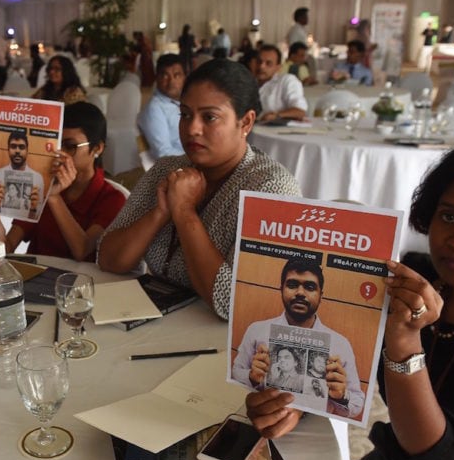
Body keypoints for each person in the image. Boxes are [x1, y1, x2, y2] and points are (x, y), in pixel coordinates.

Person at [344, 138, 454, 460]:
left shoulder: (409, 304)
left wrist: (404, 340)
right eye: (449, 216)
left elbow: (440, 450)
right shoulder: (416, 277)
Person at [98, 59, 301, 320]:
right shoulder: (166, 171)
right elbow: (109, 259)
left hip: (221, 346)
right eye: (185, 114)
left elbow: (232, 303)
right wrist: (160, 213)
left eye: (210, 117)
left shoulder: (270, 189)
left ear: (246, 122)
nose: (192, 129)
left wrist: (183, 211)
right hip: (157, 325)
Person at [0, 102, 125, 262]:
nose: (59, 153)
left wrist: (54, 198)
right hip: (36, 275)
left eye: (69, 146)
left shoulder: (112, 199)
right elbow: (10, 244)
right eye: (55, 144)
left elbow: (82, 251)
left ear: (97, 149)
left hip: (79, 283)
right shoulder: (41, 183)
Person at [232, 258, 365, 418]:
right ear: (281, 289)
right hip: (261, 415)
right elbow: (235, 372)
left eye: (309, 287)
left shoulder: (340, 344)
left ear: (320, 295)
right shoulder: (257, 330)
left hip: (315, 425)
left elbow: (357, 404)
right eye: (292, 285)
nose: (300, 293)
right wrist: (251, 378)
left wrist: (342, 396)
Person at [0, 131, 45, 220]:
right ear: (8, 150)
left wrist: (34, 209)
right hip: (0, 222)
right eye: (13, 146)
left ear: (27, 151)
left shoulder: (38, 178)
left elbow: (40, 211)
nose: (17, 151)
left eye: (21, 147)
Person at [137, 54, 186, 160]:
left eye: (176, 75)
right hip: (180, 168)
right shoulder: (155, 109)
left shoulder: (185, 102)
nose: (171, 81)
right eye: (165, 75)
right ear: (157, 78)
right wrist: (197, 158)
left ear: (184, 78)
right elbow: (163, 153)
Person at [256, 45, 307, 122]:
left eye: (268, 63)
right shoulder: (246, 82)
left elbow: (300, 111)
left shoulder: (287, 81)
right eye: (259, 62)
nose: (261, 66)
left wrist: (277, 115)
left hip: (275, 131)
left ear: (278, 67)